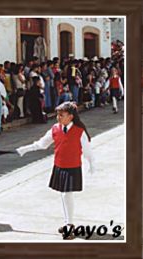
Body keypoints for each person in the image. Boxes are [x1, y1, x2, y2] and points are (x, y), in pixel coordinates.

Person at [16, 101, 95, 239]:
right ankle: (67, 221)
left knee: (66, 195)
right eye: (57, 115)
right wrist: (25, 149)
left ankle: (69, 224)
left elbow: (87, 150)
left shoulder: (79, 132)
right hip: (59, 166)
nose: (58, 117)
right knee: (64, 195)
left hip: (72, 166)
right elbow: (42, 144)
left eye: (61, 115)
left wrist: (91, 163)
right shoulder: (55, 129)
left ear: (70, 116)